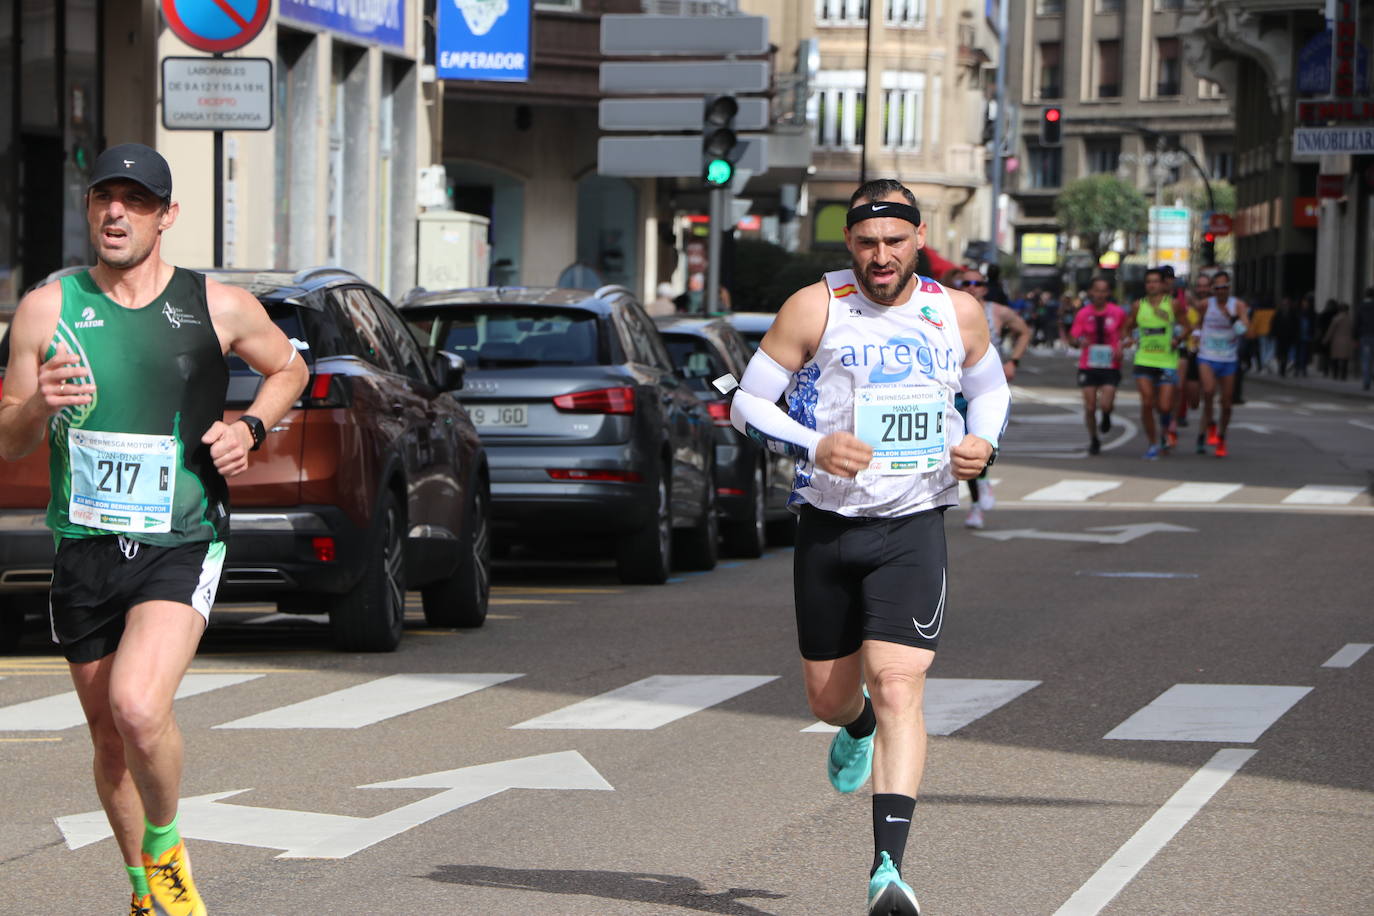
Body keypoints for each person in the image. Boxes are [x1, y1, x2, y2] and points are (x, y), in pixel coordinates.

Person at [0, 143, 308, 916]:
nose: (115, 213)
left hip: (182, 538)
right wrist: (39, 402)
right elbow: (10, 438)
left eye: (135, 201)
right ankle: (147, 896)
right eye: (105, 197)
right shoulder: (47, 307)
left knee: (140, 707)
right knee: (109, 739)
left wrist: (253, 430)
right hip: (84, 545)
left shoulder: (219, 304)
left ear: (166, 216)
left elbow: (290, 370)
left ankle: (165, 848)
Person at [729, 178, 1010, 915]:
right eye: (865, 243)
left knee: (897, 686)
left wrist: (984, 439)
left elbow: (990, 388)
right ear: (848, 245)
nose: (879, 256)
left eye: (893, 241)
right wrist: (813, 442)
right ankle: (849, 728)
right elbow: (746, 402)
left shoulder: (956, 312)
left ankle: (889, 869)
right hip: (828, 526)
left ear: (919, 238)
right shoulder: (815, 306)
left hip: (913, 525)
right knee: (831, 698)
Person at [953, 267, 1028, 528]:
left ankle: (979, 493)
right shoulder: (946, 308)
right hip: (957, 387)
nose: (971, 287)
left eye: (977, 283)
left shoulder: (997, 312)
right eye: (966, 283)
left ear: (985, 288)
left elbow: (1024, 331)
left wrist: (1013, 362)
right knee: (965, 443)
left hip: (986, 384)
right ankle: (978, 495)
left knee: (980, 438)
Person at [1122, 268, 1181, 459]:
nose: (1152, 285)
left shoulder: (1173, 304)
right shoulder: (1138, 305)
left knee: (1164, 406)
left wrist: (1177, 339)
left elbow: (1187, 326)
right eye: (1148, 282)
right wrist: (1129, 339)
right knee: (1147, 402)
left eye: (1155, 281)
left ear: (1163, 284)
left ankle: (1166, 429)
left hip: (1166, 360)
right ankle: (1153, 443)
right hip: (1144, 359)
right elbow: (1127, 328)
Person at [1069, 277, 1127, 455]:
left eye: (1104, 291)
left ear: (1108, 293)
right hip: (1088, 364)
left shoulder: (1117, 313)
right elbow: (1073, 338)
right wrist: (1080, 341)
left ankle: (1107, 415)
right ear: (1091, 292)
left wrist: (1121, 346)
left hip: (1110, 364)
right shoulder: (1083, 314)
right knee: (1090, 406)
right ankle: (1094, 438)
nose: (1100, 294)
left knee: (1106, 403)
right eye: (1097, 290)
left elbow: (1126, 334)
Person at [1195, 270, 1250, 457]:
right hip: (1207, 355)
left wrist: (1232, 318)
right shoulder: (1205, 305)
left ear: (1229, 287)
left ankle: (1222, 436)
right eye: (1217, 287)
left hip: (1228, 358)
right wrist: (1195, 338)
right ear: (1212, 289)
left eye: (1224, 287)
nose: (1221, 291)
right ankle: (1207, 427)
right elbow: (1197, 324)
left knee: (1226, 403)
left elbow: (1245, 331)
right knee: (1208, 391)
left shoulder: (1238, 306)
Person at [1174, 272, 1210, 433]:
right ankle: (1175, 420)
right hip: (1185, 350)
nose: (1202, 289)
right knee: (1178, 386)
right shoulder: (1181, 307)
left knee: (1197, 399)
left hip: (1206, 353)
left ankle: (1208, 422)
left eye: (1205, 286)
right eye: (1199, 286)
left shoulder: (1212, 306)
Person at [1324, 302, 1354, 381]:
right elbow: (1353, 330)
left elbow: (1331, 330)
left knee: (1335, 359)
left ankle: (1335, 374)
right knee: (1345, 359)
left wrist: (1326, 339)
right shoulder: (1350, 319)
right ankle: (1343, 375)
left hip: (1336, 341)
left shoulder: (1336, 319)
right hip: (1347, 341)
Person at [1353, 288, 1374, 390]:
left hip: (1365, 336)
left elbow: (1357, 323)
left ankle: (1366, 382)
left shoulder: (1361, 306)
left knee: (1366, 359)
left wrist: (1355, 337)